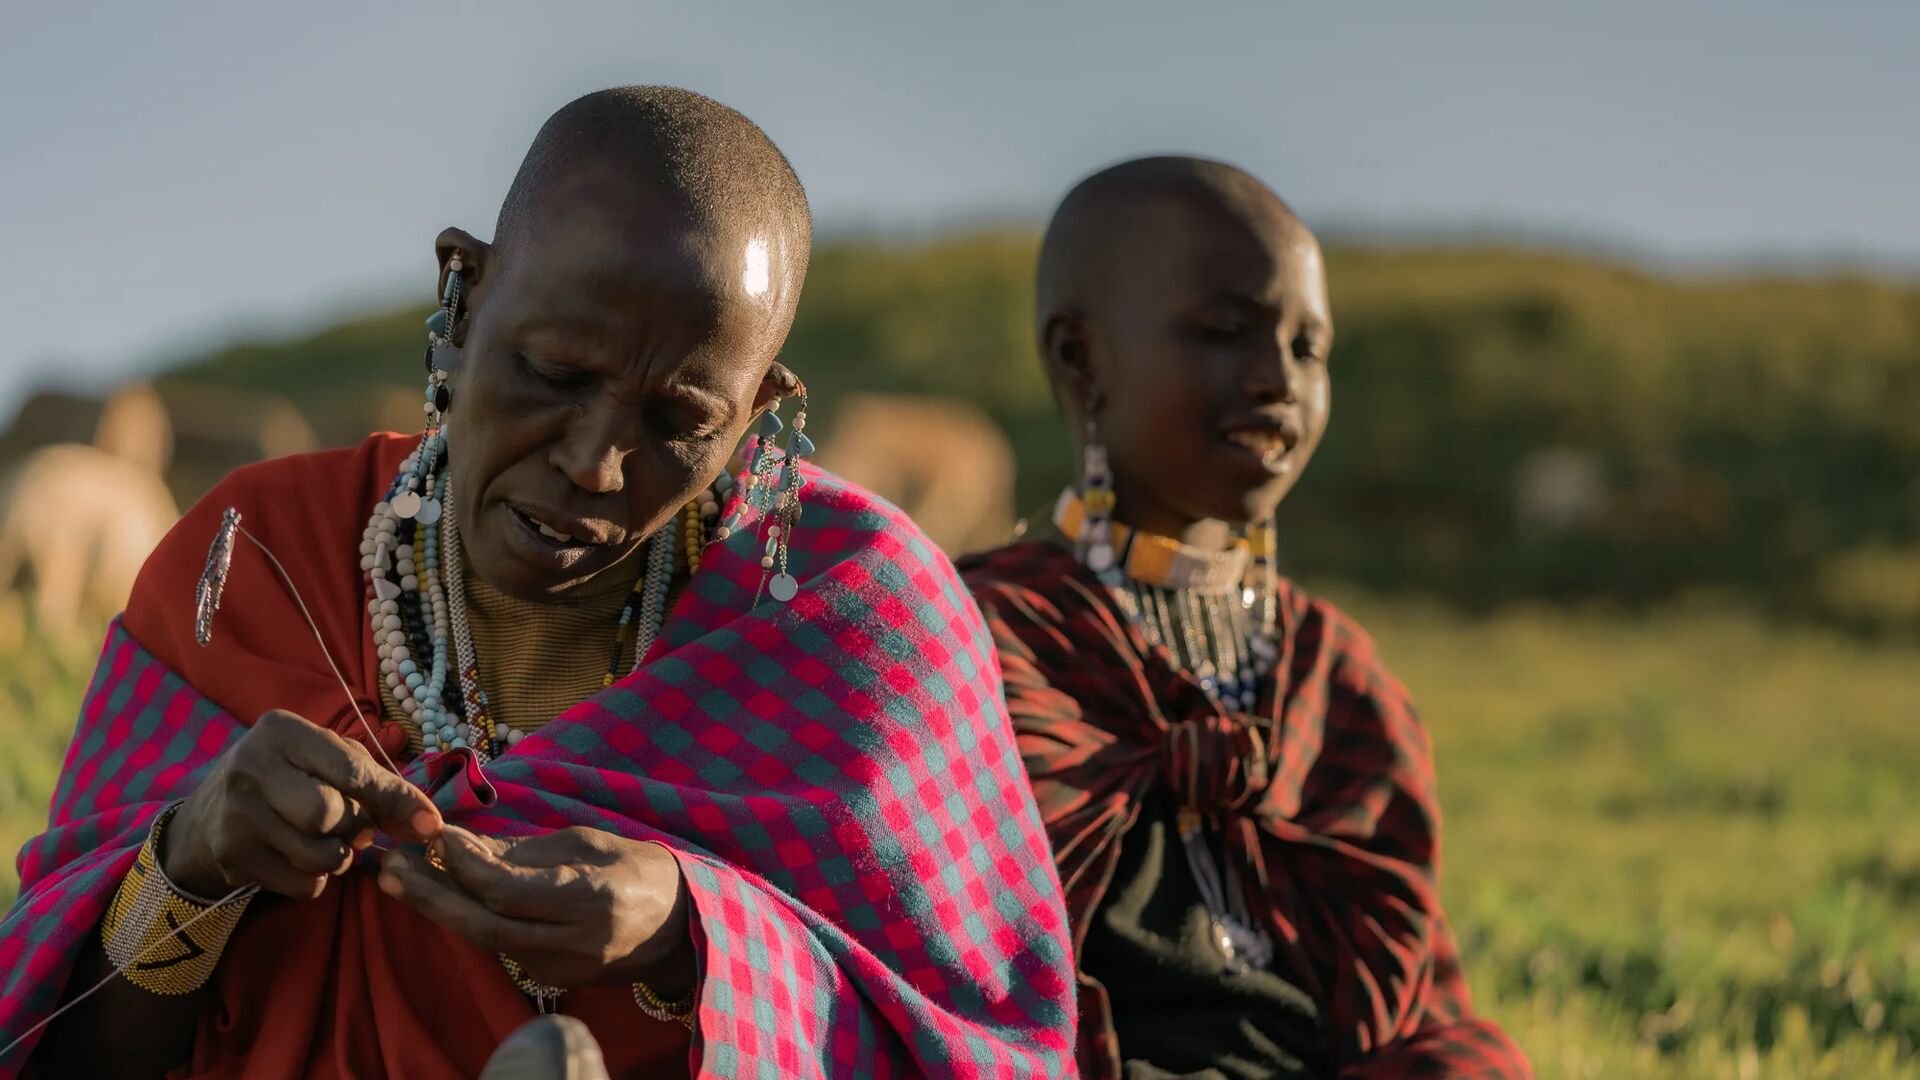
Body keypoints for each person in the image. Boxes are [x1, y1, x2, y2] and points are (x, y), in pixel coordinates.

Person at [0, 86, 1076, 1079]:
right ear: (462, 299)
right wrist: (190, 860)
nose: (593, 462)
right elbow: (64, 1052)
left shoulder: (856, 620)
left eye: (679, 425)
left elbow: (984, 1049)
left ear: (759, 412)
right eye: (555, 375)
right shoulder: (254, 554)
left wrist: (699, 937)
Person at [959, 156, 1532, 1079]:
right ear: (1080, 355)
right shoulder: (978, 638)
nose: (1278, 379)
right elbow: (924, 966)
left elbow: (1415, 1003)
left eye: (1310, 350)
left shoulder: (1337, 673)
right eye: (1225, 330)